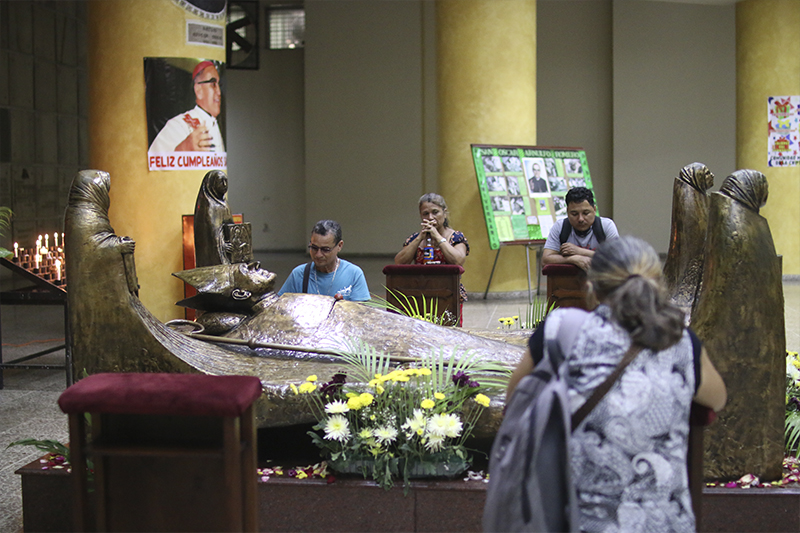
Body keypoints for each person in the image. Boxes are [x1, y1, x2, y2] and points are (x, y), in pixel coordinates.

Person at [507, 236, 727, 533]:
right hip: (663, 523)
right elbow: (717, 400)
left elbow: (515, 402)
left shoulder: (561, 331)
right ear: (658, 287)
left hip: (577, 520)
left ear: (591, 287)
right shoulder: (679, 341)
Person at [395, 193, 470, 321]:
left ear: (444, 213)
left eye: (435, 212)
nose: (431, 217)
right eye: (425, 214)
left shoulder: (456, 237)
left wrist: (438, 238)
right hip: (419, 296)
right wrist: (420, 238)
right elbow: (399, 262)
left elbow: (458, 260)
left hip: (448, 295)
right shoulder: (415, 239)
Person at [278, 220, 370, 301]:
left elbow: (360, 314)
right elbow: (280, 308)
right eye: (314, 248)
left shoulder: (354, 274)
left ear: (339, 246)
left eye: (325, 249)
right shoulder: (299, 275)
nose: (318, 254)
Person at [149, 60, 225, 153]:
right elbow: (152, 161)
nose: (219, 92)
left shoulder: (217, 124)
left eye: (219, 85)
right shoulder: (178, 125)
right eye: (213, 84)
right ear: (198, 90)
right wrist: (183, 148)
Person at [542, 186, 619, 271]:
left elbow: (616, 259)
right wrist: (573, 259)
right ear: (567, 212)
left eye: (586, 213)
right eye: (574, 214)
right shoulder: (560, 226)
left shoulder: (606, 225)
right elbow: (545, 260)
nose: (580, 219)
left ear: (594, 210)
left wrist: (580, 251)